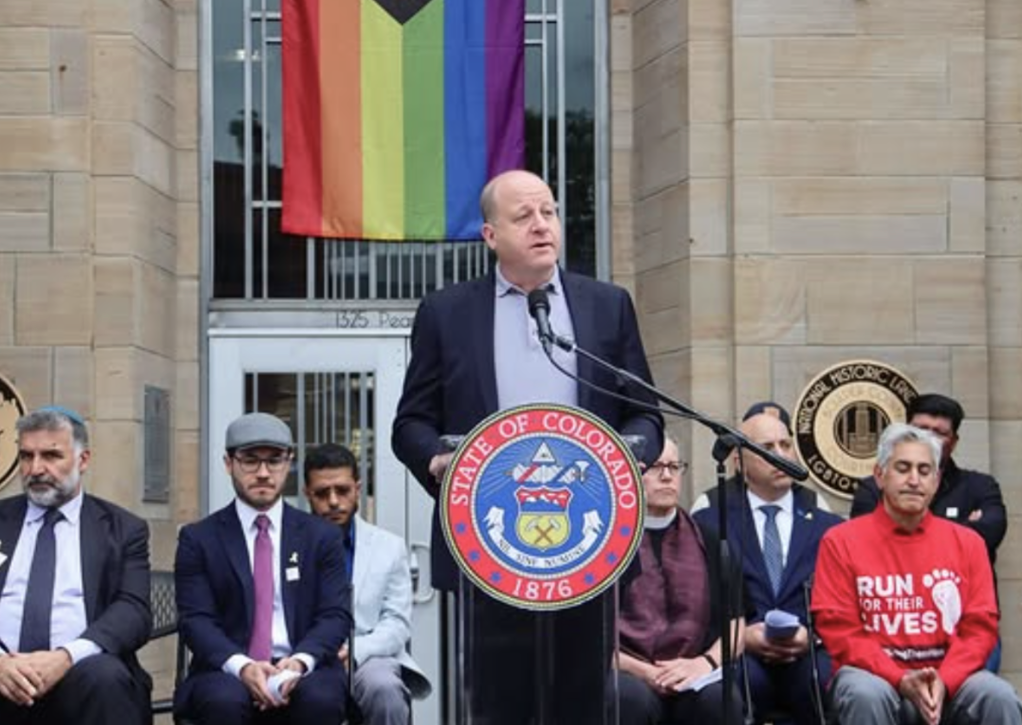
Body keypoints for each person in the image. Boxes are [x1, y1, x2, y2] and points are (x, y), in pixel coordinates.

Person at [392, 169, 664, 724]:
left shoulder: (607, 305)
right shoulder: (447, 313)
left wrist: (627, 453)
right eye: (524, 217)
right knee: (501, 703)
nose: (542, 225)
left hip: (587, 544)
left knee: (584, 700)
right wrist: (441, 461)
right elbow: (410, 424)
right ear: (491, 236)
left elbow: (645, 413)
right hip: (491, 544)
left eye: (549, 212)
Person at [812, 423, 1021, 725]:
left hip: (952, 677)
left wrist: (945, 681)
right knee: (863, 694)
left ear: (936, 481)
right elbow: (840, 630)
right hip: (873, 678)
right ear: (880, 475)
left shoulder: (968, 543)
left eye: (924, 471)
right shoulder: (840, 541)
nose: (914, 480)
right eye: (903, 468)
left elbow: (980, 627)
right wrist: (899, 678)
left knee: (999, 697)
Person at [174, 412, 351, 725]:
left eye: (275, 460)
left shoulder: (321, 536)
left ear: (290, 462)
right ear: (229, 463)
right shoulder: (199, 539)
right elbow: (196, 621)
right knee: (223, 703)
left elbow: (334, 615)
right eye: (250, 460)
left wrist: (299, 662)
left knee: (320, 701)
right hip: (225, 668)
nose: (264, 472)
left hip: (302, 663)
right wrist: (242, 666)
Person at [0, 406, 152, 725]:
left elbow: (133, 610)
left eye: (51, 456)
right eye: (27, 456)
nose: (36, 468)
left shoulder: (122, 529)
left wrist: (66, 657)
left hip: (82, 672)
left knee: (106, 677)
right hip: (3, 671)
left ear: (83, 460)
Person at [692, 402, 841, 725]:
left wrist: (811, 637)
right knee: (728, 690)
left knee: (827, 682)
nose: (780, 455)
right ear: (738, 459)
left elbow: (843, 604)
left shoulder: (829, 526)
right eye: (767, 448)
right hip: (741, 655)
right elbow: (698, 606)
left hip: (810, 653)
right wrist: (741, 636)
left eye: (785, 445)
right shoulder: (710, 523)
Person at [850, 393, 1008, 671]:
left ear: (954, 441)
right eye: (922, 429)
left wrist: (940, 534)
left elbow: (988, 534)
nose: (930, 438)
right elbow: (869, 542)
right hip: (889, 629)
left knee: (991, 696)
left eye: (940, 432)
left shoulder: (980, 486)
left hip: (965, 630)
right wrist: (961, 528)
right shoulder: (871, 489)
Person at [617, 436, 744, 725]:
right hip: (628, 671)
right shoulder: (608, 542)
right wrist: (645, 672)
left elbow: (736, 624)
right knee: (627, 699)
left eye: (674, 467)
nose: (666, 476)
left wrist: (704, 663)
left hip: (695, 671)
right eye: (654, 467)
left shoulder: (711, 540)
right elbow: (592, 640)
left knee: (720, 700)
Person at [303, 443, 431, 725]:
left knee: (383, 688)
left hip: (370, 655)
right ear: (307, 494)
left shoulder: (389, 547)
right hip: (305, 655)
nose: (334, 501)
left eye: (343, 490)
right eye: (323, 493)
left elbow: (396, 624)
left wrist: (356, 651)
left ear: (358, 488)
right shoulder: (289, 544)